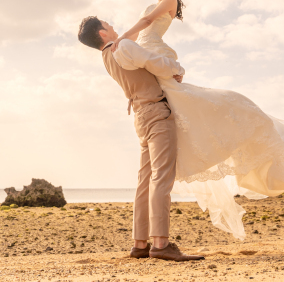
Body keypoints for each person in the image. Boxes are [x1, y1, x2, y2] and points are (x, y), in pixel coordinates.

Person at [111, 0, 284, 241]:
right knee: (178, 103)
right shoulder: (160, 0)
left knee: (189, 101)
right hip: (147, 50)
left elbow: (145, 25)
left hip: (152, 49)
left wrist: (120, 39)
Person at [78, 16, 204, 262]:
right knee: (162, 177)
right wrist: (178, 69)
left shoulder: (107, 56)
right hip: (156, 112)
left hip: (140, 116)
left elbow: (136, 48)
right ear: (103, 33)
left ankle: (139, 244)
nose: (113, 26)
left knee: (145, 180)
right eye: (108, 24)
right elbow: (154, 62)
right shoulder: (122, 47)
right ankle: (160, 244)